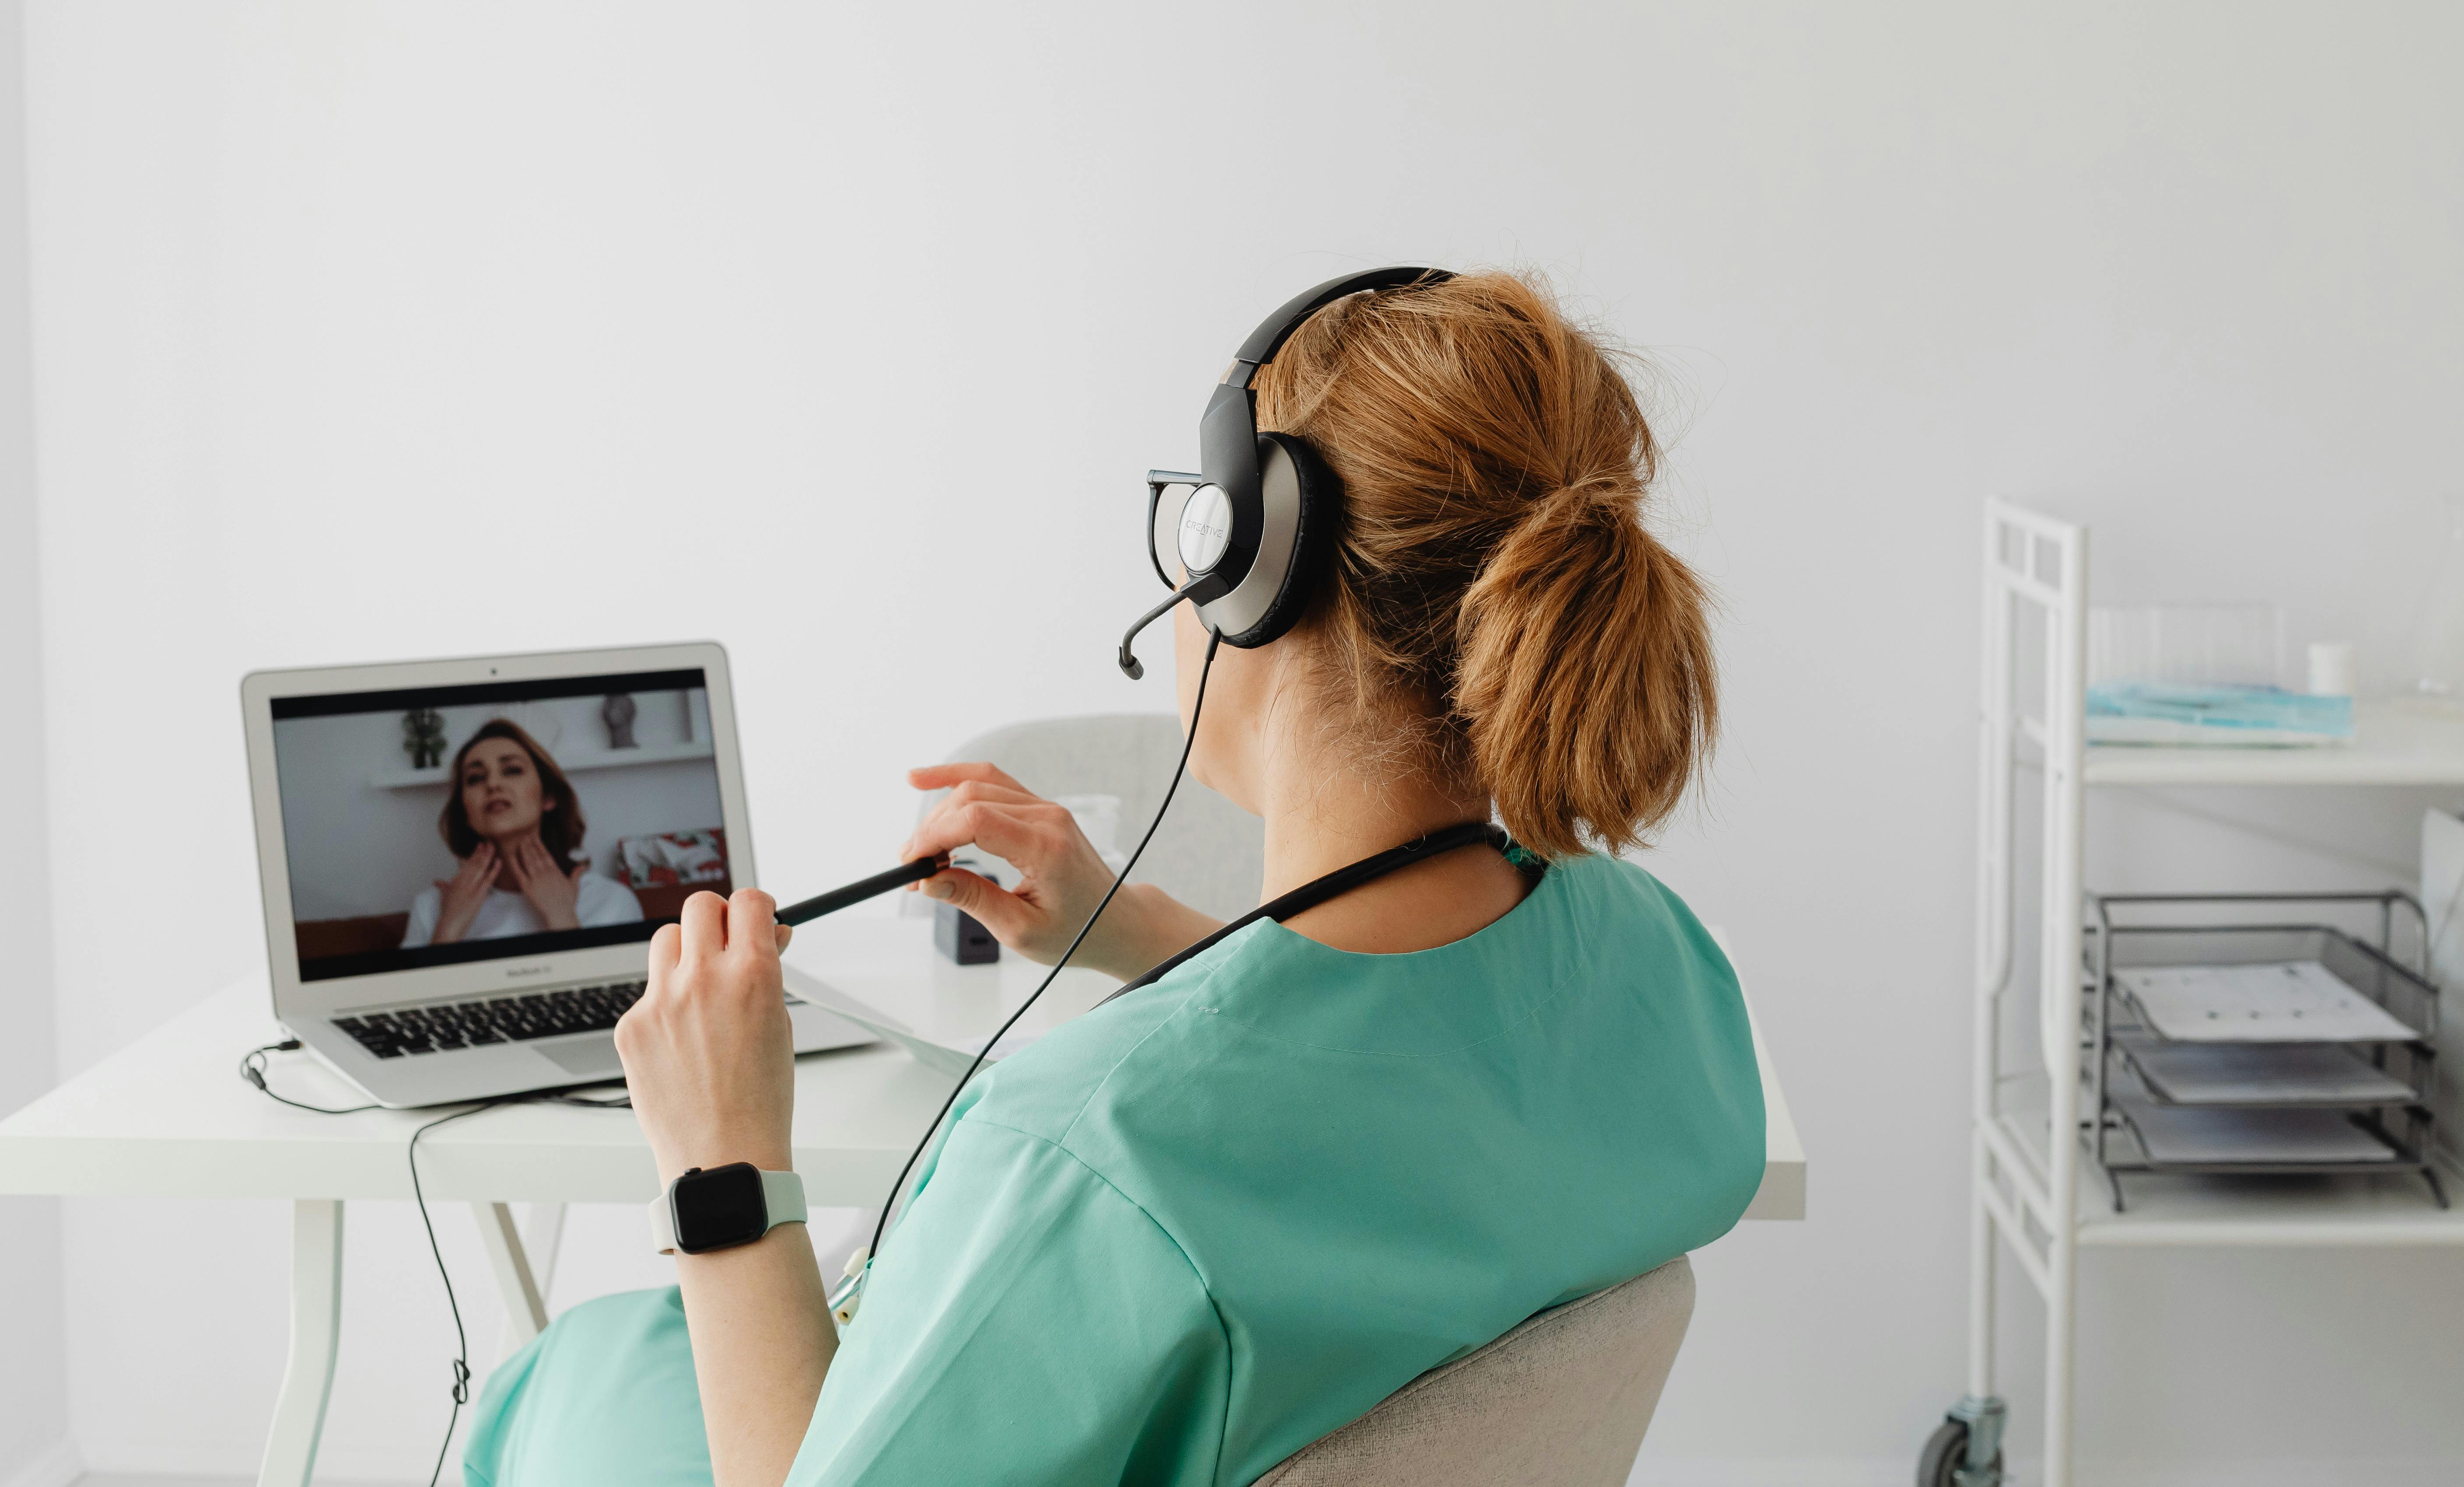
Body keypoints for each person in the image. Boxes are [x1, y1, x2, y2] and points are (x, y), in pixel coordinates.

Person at [463, 271, 1763, 1487]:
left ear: (1258, 568)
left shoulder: (1083, 1160)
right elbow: (1402, 1092)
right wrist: (1138, 933)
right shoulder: (1655, 963)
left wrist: (720, 1162)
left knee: (554, 1381)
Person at [401, 718, 644, 948]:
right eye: (475, 778)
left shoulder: (613, 903)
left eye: (513, 770)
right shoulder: (432, 908)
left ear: (548, 797)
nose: (493, 784)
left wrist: (563, 920)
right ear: (465, 810)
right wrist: (449, 929)